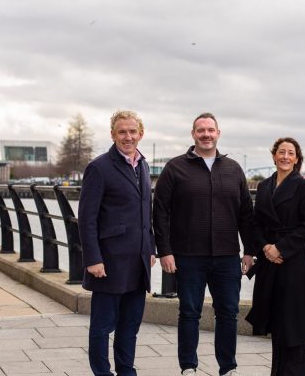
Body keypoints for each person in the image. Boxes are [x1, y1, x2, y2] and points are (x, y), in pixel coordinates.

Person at [153, 112, 255, 376]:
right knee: (189, 312)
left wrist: (249, 251)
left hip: (227, 256)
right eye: (201, 130)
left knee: (228, 313)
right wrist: (164, 251)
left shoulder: (233, 169)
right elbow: (160, 211)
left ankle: (228, 368)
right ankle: (188, 367)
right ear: (193, 134)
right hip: (188, 256)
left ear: (218, 133)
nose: (206, 135)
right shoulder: (175, 168)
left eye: (211, 130)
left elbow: (246, 213)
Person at [78, 110, 156, 376]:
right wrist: (93, 258)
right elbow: (87, 218)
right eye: (122, 132)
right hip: (109, 261)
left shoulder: (143, 165)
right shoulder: (99, 168)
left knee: (130, 325)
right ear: (113, 135)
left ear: (141, 134)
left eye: (133, 131)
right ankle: (102, 372)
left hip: (138, 261)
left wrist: (151, 248)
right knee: (102, 326)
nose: (128, 136)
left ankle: (126, 370)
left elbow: (146, 212)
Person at [245, 137, 305, 376]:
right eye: (281, 152)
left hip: (292, 261)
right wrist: (266, 247)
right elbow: (256, 223)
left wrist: (281, 248)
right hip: (269, 260)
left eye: (290, 153)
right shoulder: (264, 186)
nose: (286, 157)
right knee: (276, 321)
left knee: (293, 324)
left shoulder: (304, 187)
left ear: (297, 159)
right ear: (274, 156)